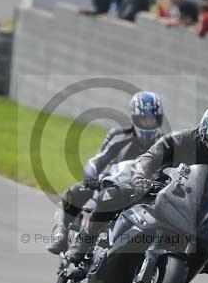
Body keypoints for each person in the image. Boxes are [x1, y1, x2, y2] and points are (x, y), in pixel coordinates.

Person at [65, 100, 208, 277]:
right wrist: (140, 178)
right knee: (110, 196)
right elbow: (150, 157)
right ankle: (84, 242)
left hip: (187, 210)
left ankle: (176, 279)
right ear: (206, 124)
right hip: (153, 189)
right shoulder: (181, 139)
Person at [47, 92, 165, 254]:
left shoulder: (165, 143)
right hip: (112, 186)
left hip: (146, 195)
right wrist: (91, 178)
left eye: (152, 119)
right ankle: (61, 234)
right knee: (73, 193)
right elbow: (97, 161)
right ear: (134, 119)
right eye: (143, 119)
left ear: (158, 120)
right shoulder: (118, 136)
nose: (148, 123)